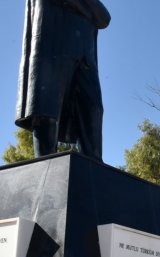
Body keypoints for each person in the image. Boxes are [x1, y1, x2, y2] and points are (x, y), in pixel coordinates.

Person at [15, 0, 111, 160]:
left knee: (94, 110)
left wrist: (84, 8)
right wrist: (89, 12)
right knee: (47, 110)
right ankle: (45, 163)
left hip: (86, 57)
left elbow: (105, 18)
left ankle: (93, 167)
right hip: (54, 46)